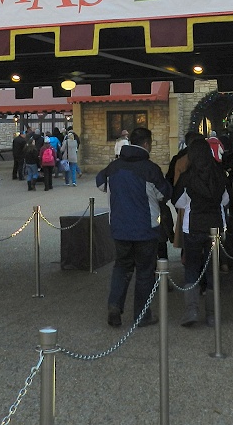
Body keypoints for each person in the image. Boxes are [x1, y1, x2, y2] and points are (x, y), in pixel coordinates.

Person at [96, 127, 171, 328]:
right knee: (145, 272)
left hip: (120, 228)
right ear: (146, 144)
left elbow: (100, 184)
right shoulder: (150, 169)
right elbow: (164, 194)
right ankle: (142, 315)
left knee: (121, 267)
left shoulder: (114, 167)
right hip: (146, 229)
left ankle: (114, 306)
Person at [172, 138, 228, 327]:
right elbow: (226, 199)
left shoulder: (187, 176)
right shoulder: (219, 173)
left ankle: (192, 310)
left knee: (192, 268)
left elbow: (177, 201)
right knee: (212, 269)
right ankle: (212, 314)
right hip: (215, 227)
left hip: (192, 226)